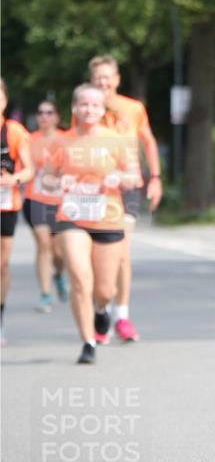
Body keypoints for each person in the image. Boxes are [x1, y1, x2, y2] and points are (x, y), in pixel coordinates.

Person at [43, 83, 142, 364]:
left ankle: (101, 309)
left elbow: (134, 177)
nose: (89, 110)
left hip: (108, 218)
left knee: (104, 289)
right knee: (79, 277)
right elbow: (46, 179)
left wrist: (119, 179)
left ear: (102, 110)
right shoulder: (61, 141)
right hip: (72, 217)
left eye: (95, 105)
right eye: (83, 104)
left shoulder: (116, 140)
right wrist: (59, 182)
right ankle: (88, 341)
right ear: (74, 108)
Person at [87, 55, 162, 343]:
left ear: (116, 79)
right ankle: (100, 310)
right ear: (92, 81)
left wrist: (154, 178)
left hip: (129, 184)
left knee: (121, 253)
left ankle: (122, 317)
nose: (103, 83)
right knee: (100, 256)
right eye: (98, 79)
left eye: (108, 78)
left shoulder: (133, 109)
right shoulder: (86, 109)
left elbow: (148, 141)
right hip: (97, 188)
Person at [23, 100, 68, 312]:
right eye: (40, 112)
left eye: (49, 112)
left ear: (57, 117)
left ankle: (58, 275)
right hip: (36, 199)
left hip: (61, 202)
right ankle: (45, 294)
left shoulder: (68, 139)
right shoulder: (29, 140)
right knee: (43, 244)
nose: (44, 116)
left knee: (59, 252)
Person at [1, 78, 34, 344]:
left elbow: (29, 169)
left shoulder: (13, 131)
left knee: (1, 266)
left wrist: (14, 179)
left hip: (5, 205)